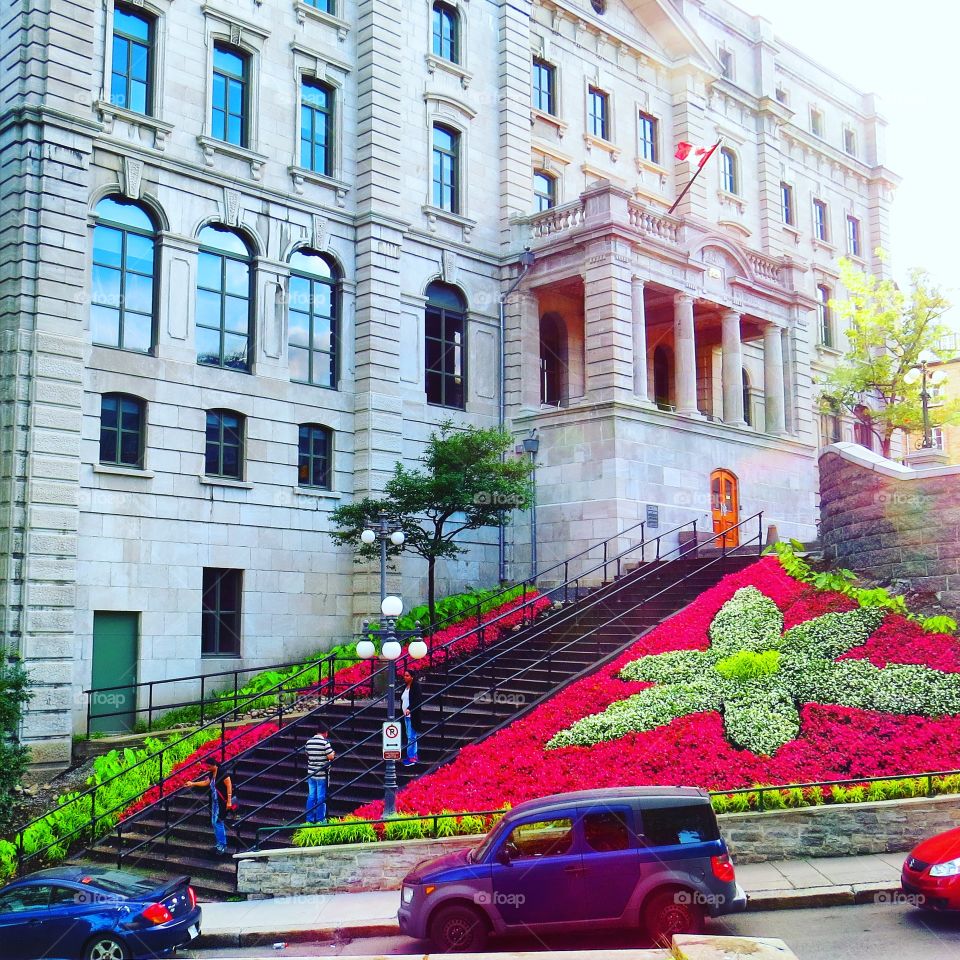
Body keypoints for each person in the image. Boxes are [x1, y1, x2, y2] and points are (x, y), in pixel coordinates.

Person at [186, 758, 234, 855]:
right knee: (214, 822)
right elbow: (206, 783)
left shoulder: (222, 772)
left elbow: (229, 786)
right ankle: (219, 843)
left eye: (208, 767)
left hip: (222, 802)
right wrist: (193, 783)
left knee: (218, 821)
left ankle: (222, 844)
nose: (207, 768)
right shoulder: (212, 773)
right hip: (215, 801)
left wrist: (229, 801)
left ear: (214, 765)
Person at [304, 723, 336, 823]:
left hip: (311, 773)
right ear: (325, 733)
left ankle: (309, 819)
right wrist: (333, 753)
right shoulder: (325, 743)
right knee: (321, 797)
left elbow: (307, 754)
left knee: (311, 796)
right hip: (322, 775)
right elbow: (331, 756)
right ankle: (320, 819)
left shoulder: (309, 742)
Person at [401, 671, 422, 766]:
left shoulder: (416, 686)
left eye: (407, 675)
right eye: (404, 675)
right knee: (409, 735)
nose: (405, 677)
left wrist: (409, 708)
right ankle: (412, 756)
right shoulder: (405, 687)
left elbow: (417, 700)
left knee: (411, 736)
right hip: (405, 716)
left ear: (412, 677)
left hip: (412, 715)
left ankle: (412, 757)